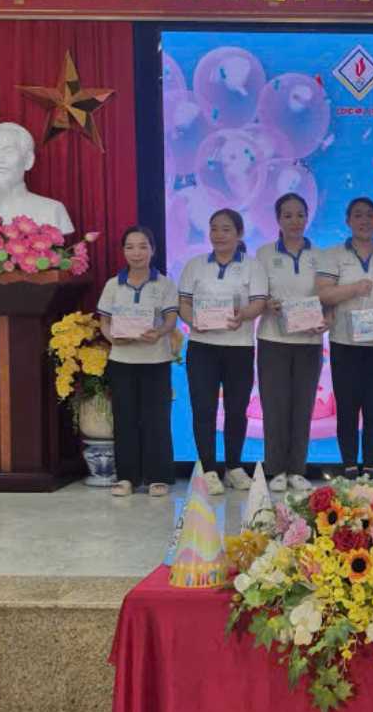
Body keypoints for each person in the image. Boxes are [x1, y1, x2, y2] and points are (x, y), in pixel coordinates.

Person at [177, 209, 268, 495]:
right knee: (203, 409)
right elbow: (184, 303)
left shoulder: (252, 266)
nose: (219, 235)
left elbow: (258, 304)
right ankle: (208, 468)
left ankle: (234, 466)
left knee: (236, 409)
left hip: (238, 347)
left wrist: (244, 315)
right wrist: (194, 322)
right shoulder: (195, 265)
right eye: (214, 228)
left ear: (239, 233)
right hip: (202, 347)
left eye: (226, 229)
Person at [315, 197, 373, 478]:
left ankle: (371, 467)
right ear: (348, 221)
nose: (364, 221)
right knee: (348, 406)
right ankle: (350, 465)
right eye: (357, 215)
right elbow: (324, 294)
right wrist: (353, 288)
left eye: (369, 215)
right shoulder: (333, 254)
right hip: (345, 343)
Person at [256, 193, 330, 493]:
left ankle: (297, 469)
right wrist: (266, 305)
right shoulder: (263, 254)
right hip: (273, 338)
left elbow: (328, 296)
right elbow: (256, 295)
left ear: (307, 217)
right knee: (274, 406)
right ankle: (275, 469)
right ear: (278, 219)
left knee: (303, 405)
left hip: (309, 340)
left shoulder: (320, 255)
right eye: (287, 215)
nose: (294, 221)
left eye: (300, 214)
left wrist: (328, 318)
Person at [97, 226, 178, 498]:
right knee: (125, 418)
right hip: (122, 360)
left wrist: (160, 332)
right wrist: (112, 339)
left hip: (156, 359)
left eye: (143, 246)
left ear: (153, 250)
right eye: (130, 246)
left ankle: (158, 477)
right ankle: (127, 477)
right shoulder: (112, 284)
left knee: (156, 418)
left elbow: (170, 320)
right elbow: (105, 321)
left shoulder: (164, 284)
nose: (136, 252)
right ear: (123, 251)